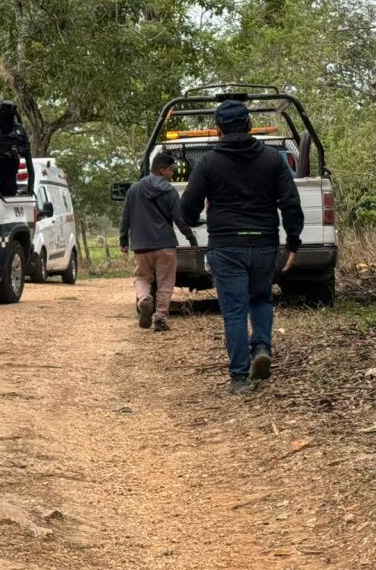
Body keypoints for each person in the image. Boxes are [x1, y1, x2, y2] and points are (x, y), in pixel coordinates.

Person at [181, 100, 304, 395]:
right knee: (261, 299)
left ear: (218, 129)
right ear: (249, 125)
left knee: (234, 311)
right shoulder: (272, 159)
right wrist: (293, 242)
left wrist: (197, 220)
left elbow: (187, 208)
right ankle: (261, 347)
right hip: (264, 243)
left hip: (226, 246)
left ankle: (239, 378)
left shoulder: (208, 163)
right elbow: (290, 202)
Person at [119, 152, 197, 332]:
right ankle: (160, 318)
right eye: (170, 170)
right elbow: (179, 219)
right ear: (161, 170)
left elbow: (125, 217)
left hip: (141, 245)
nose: (172, 174)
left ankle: (144, 299)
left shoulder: (134, 189)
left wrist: (123, 239)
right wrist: (190, 237)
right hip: (165, 244)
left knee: (141, 277)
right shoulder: (170, 191)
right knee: (165, 282)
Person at [0, 101, 30, 196]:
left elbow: (26, 147)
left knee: (9, 193)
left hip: (10, 171)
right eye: (5, 113)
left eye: (9, 114)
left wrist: (18, 150)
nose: (6, 117)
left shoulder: (19, 130)